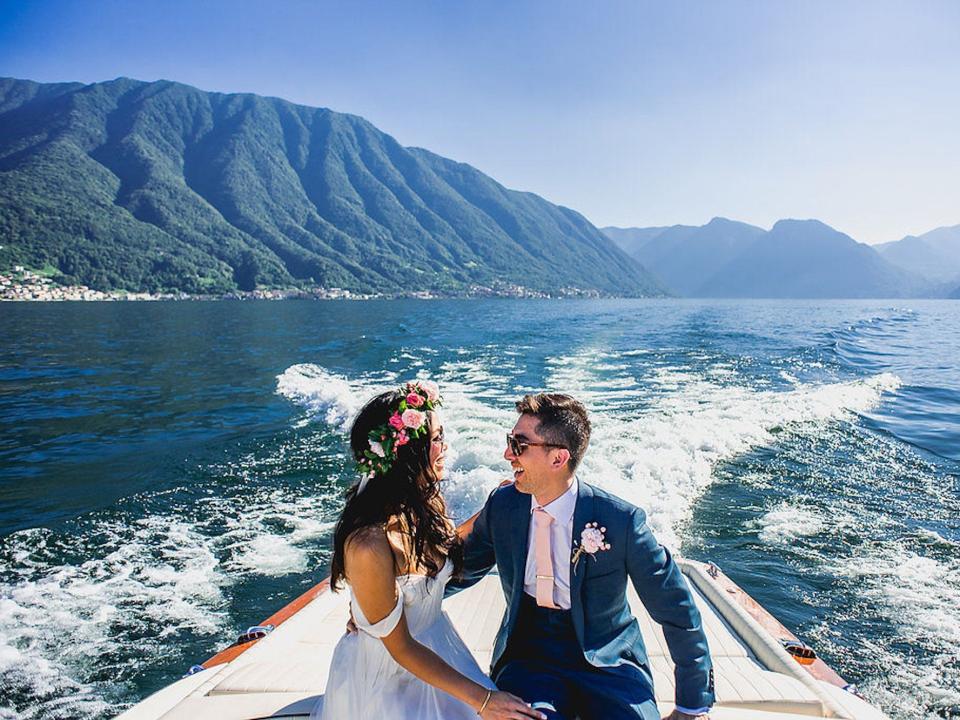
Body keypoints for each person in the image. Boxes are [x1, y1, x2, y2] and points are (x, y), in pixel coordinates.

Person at [446, 393, 714, 720]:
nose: (507, 455)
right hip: (529, 658)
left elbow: (676, 607)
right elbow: (460, 571)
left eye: (519, 445)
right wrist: (396, 599)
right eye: (509, 442)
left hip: (610, 661)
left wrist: (692, 704)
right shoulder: (503, 506)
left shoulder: (621, 521)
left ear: (558, 459)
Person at [314, 380, 545, 720]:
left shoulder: (422, 503)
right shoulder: (368, 545)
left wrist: (499, 503)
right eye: (437, 439)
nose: (445, 447)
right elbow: (401, 647)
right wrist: (483, 701)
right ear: (408, 452)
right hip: (387, 679)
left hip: (438, 653)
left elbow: (446, 547)